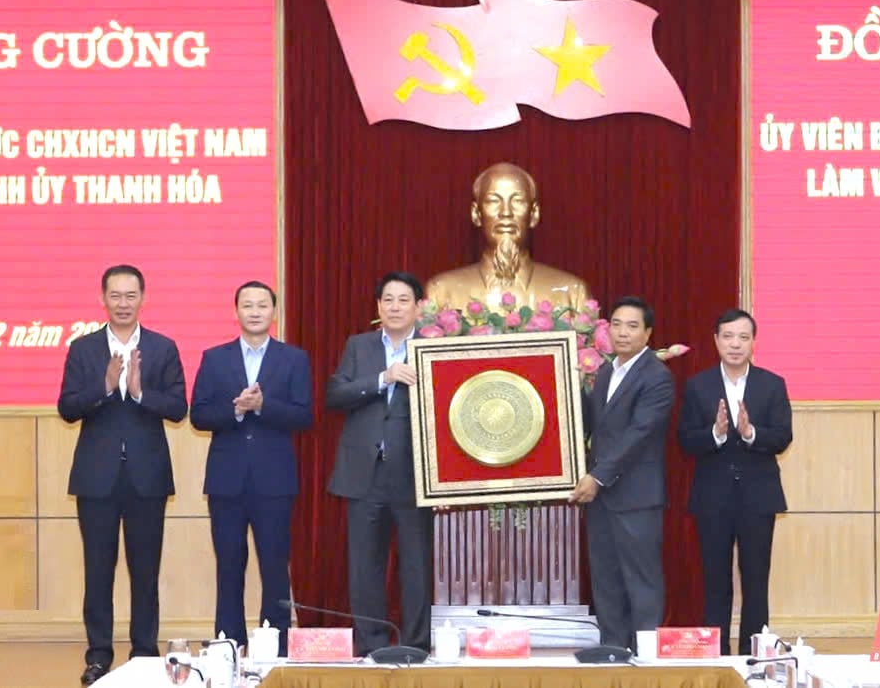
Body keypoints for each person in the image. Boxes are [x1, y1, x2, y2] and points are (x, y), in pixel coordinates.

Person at [57, 264, 187, 686]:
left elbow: (178, 408)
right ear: (103, 299)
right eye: (116, 295)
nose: (124, 303)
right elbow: (68, 408)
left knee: (145, 572)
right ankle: (98, 656)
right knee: (98, 571)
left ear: (143, 298)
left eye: (131, 295)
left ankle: (145, 655)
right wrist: (106, 385)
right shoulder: (83, 348)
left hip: (147, 478)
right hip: (97, 479)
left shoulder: (164, 348)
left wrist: (141, 391)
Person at [190, 281, 313, 656]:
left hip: (274, 481)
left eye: (263, 305)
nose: (255, 311)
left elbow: (304, 416)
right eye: (248, 305)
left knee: (275, 567)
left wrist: (262, 407)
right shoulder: (214, 358)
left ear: (273, 312)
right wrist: (236, 410)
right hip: (226, 481)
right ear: (236, 312)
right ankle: (229, 644)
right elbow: (198, 415)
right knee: (229, 567)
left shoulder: (294, 358)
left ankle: (274, 646)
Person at [326, 271, 434, 656]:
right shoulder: (359, 346)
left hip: (415, 476)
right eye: (388, 299)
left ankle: (416, 644)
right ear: (378, 307)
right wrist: (382, 378)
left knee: (416, 566)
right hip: (364, 474)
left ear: (419, 307)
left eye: (404, 300)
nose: (395, 307)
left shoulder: (435, 348)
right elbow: (335, 394)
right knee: (364, 566)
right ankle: (371, 644)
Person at [677, 308, 792, 655]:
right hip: (713, 498)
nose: (735, 344)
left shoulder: (772, 384)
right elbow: (685, 440)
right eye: (728, 336)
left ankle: (753, 655)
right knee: (716, 583)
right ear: (715, 340)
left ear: (754, 342)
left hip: (758, 497)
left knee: (756, 582)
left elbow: (783, 436)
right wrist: (716, 433)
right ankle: (716, 656)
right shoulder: (698, 386)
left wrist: (750, 432)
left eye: (743, 337)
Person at [569, 296, 675, 650]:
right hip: (601, 498)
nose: (623, 333)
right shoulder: (605, 371)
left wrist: (596, 477)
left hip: (635, 497)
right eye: (616, 324)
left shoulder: (657, 377)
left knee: (641, 579)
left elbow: (638, 435)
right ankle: (612, 649)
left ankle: (645, 653)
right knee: (606, 579)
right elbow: (592, 428)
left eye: (632, 326)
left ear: (648, 333)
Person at [425, 162, 591, 311]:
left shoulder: (572, 292)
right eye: (493, 201)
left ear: (534, 214)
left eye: (518, 201)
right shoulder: (442, 292)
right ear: (476, 214)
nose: (506, 212)